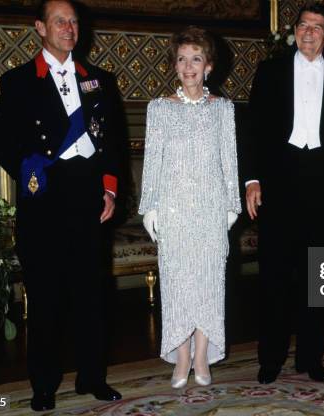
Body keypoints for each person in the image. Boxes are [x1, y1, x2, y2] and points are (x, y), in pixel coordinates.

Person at [0, 0, 122, 411]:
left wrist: (110, 189)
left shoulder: (99, 80)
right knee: (46, 298)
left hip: (87, 195)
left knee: (90, 294)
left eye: (74, 21)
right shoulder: (19, 82)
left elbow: (113, 142)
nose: (69, 28)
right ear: (40, 28)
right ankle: (43, 385)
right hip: (44, 198)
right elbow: (2, 142)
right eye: (60, 21)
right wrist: (33, 173)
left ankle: (92, 376)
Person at [244, 3, 324, 384]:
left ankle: (311, 357)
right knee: (273, 276)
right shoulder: (269, 72)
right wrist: (252, 179)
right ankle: (270, 358)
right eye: (303, 25)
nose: (308, 32)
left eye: (317, 28)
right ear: (294, 31)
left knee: (318, 277)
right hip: (277, 184)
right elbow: (252, 130)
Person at [138, 26, 241, 389]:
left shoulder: (223, 109)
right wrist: (149, 207)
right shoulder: (160, 108)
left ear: (208, 65)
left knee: (209, 284)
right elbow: (153, 161)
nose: (188, 66)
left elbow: (229, 160)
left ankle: (201, 355)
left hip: (212, 207)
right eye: (182, 59)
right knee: (178, 283)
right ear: (174, 66)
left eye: (196, 58)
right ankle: (180, 356)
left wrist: (232, 206)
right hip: (174, 208)